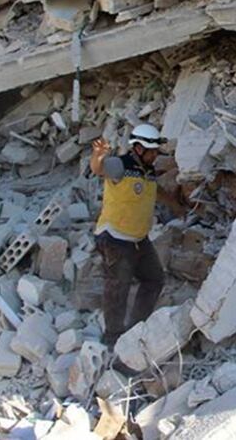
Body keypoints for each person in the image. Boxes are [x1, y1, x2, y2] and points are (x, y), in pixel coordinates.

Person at [89, 123, 181, 347]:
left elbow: (154, 190)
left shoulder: (147, 170)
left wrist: (176, 205)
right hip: (115, 239)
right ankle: (112, 339)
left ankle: (135, 328)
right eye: (152, 151)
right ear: (138, 148)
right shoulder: (120, 164)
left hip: (139, 240)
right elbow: (99, 169)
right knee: (117, 288)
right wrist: (98, 156)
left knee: (154, 279)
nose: (155, 156)